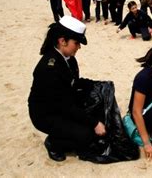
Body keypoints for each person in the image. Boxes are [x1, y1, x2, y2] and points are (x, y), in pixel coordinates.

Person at [28, 16, 106, 162]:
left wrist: (96, 84)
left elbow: (73, 82)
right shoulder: (48, 69)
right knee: (87, 135)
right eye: (76, 43)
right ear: (62, 41)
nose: (79, 47)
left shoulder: (68, 58)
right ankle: (54, 143)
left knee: (97, 109)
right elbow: (65, 106)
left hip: (63, 104)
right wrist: (94, 123)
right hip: (46, 115)